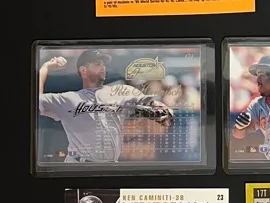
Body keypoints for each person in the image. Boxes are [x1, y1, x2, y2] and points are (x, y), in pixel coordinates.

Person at [38, 49, 173, 163]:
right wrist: (45, 68)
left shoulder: (121, 91)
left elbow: (152, 104)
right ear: (83, 70)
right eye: (97, 64)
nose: (102, 67)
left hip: (110, 166)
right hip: (78, 166)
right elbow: (35, 102)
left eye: (103, 64)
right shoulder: (68, 99)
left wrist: (161, 110)